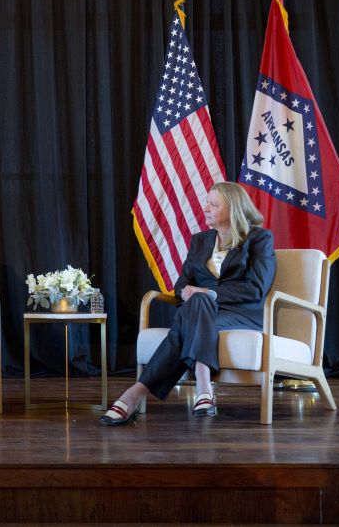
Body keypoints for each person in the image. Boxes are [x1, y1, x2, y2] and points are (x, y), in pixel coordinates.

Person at [101, 181, 276, 425]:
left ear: (233, 208)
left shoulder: (259, 239)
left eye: (213, 204)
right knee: (196, 304)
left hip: (241, 313)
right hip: (200, 311)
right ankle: (204, 389)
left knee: (195, 308)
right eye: (207, 202)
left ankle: (136, 393)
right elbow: (182, 284)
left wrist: (206, 291)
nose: (205, 208)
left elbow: (256, 288)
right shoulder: (200, 241)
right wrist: (189, 293)